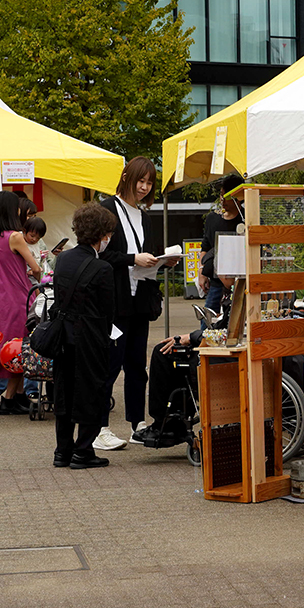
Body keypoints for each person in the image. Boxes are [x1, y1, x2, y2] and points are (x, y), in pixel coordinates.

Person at [98, 156, 178, 450]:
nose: (143, 187)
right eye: (140, 180)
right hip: (115, 301)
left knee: (136, 365)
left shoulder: (145, 216)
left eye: (149, 183)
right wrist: (133, 259)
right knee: (110, 363)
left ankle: (137, 424)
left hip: (140, 300)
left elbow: (148, 254)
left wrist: (162, 261)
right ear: (126, 177)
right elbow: (99, 254)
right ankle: (99, 427)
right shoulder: (107, 210)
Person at [133, 276, 234, 445]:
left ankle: (167, 425)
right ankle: (170, 423)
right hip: (220, 349)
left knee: (165, 353)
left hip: (221, 356)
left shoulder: (239, 292)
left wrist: (192, 337)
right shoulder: (233, 291)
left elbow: (229, 333)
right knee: (165, 349)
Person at [53, 204, 116, 469]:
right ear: (102, 234)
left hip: (62, 334)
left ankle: (62, 451)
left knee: (64, 390)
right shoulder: (102, 269)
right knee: (92, 389)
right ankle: (83, 451)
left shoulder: (63, 260)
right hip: (90, 336)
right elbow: (107, 310)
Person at [0, 191, 43, 416]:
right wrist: (38, 275)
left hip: (2, 299)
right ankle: (9, 398)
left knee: (12, 346)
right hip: (20, 297)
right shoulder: (15, 236)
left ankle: (17, 396)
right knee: (21, 348)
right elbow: (36, 267)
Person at [198, 174, 244, 323]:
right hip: (216, 283)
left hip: (241, 284)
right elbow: (205, 246)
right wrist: (201, 271)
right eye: (221, 195)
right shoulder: (213, 218)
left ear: (238, 196)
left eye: (227, 196)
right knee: (208, 323)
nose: (222, 200)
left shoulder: (247, 218)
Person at [23, 215, 51, 285]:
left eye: (38, 238)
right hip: (26, 273)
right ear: (24, 231)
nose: (34, 239)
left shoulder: (37, 244)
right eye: (32, 236)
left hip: (36, 272)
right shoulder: (21, 242)